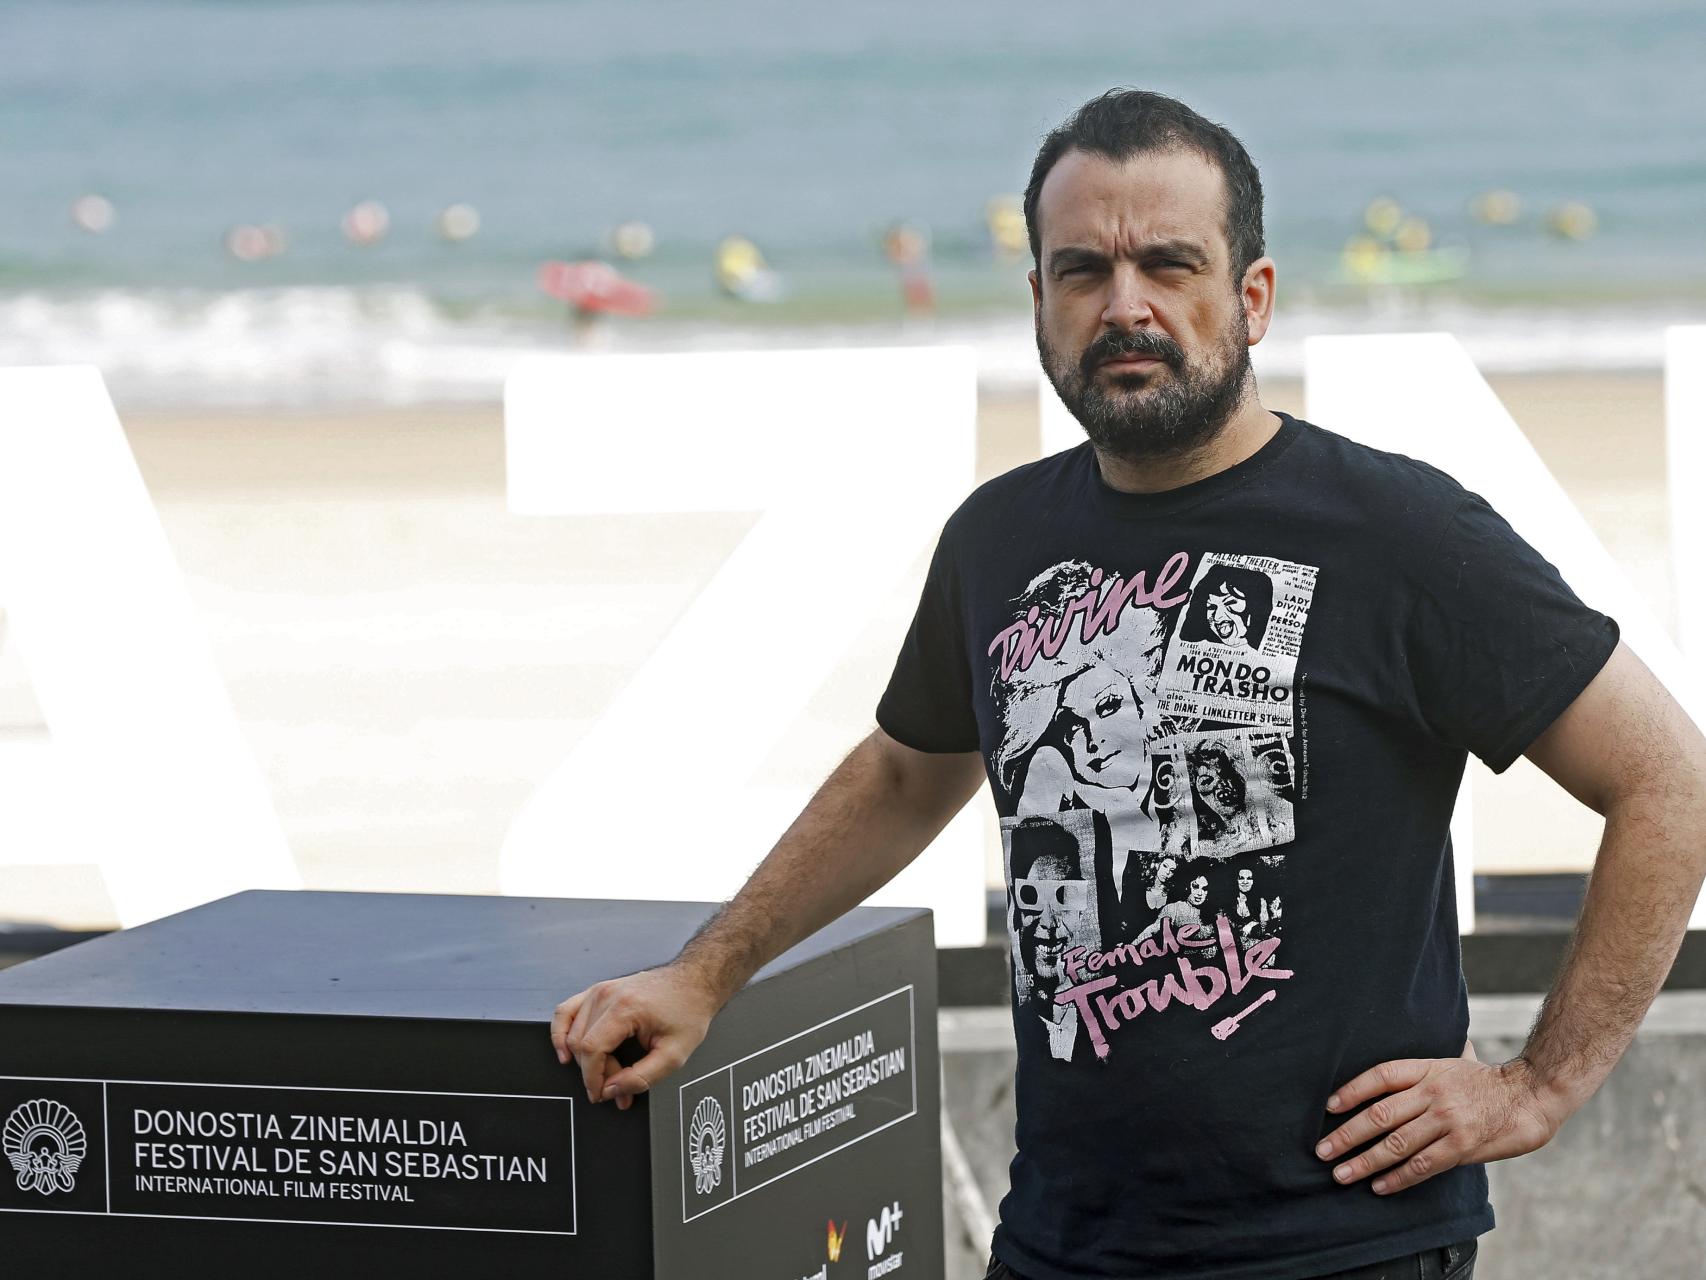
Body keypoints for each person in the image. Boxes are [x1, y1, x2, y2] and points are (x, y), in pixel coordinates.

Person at [550, 88, 1706, 1280]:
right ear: (1039, 304)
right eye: (1081, 271)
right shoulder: (996, 540)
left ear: (1250, 297)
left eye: (1167, 263)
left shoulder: (1398, 531)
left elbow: (1669, 780)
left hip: (1340, 1244)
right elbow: (904, 774)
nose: (1125, 305)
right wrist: (702, 974)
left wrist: (1538, 1084)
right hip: (1063, 1239)